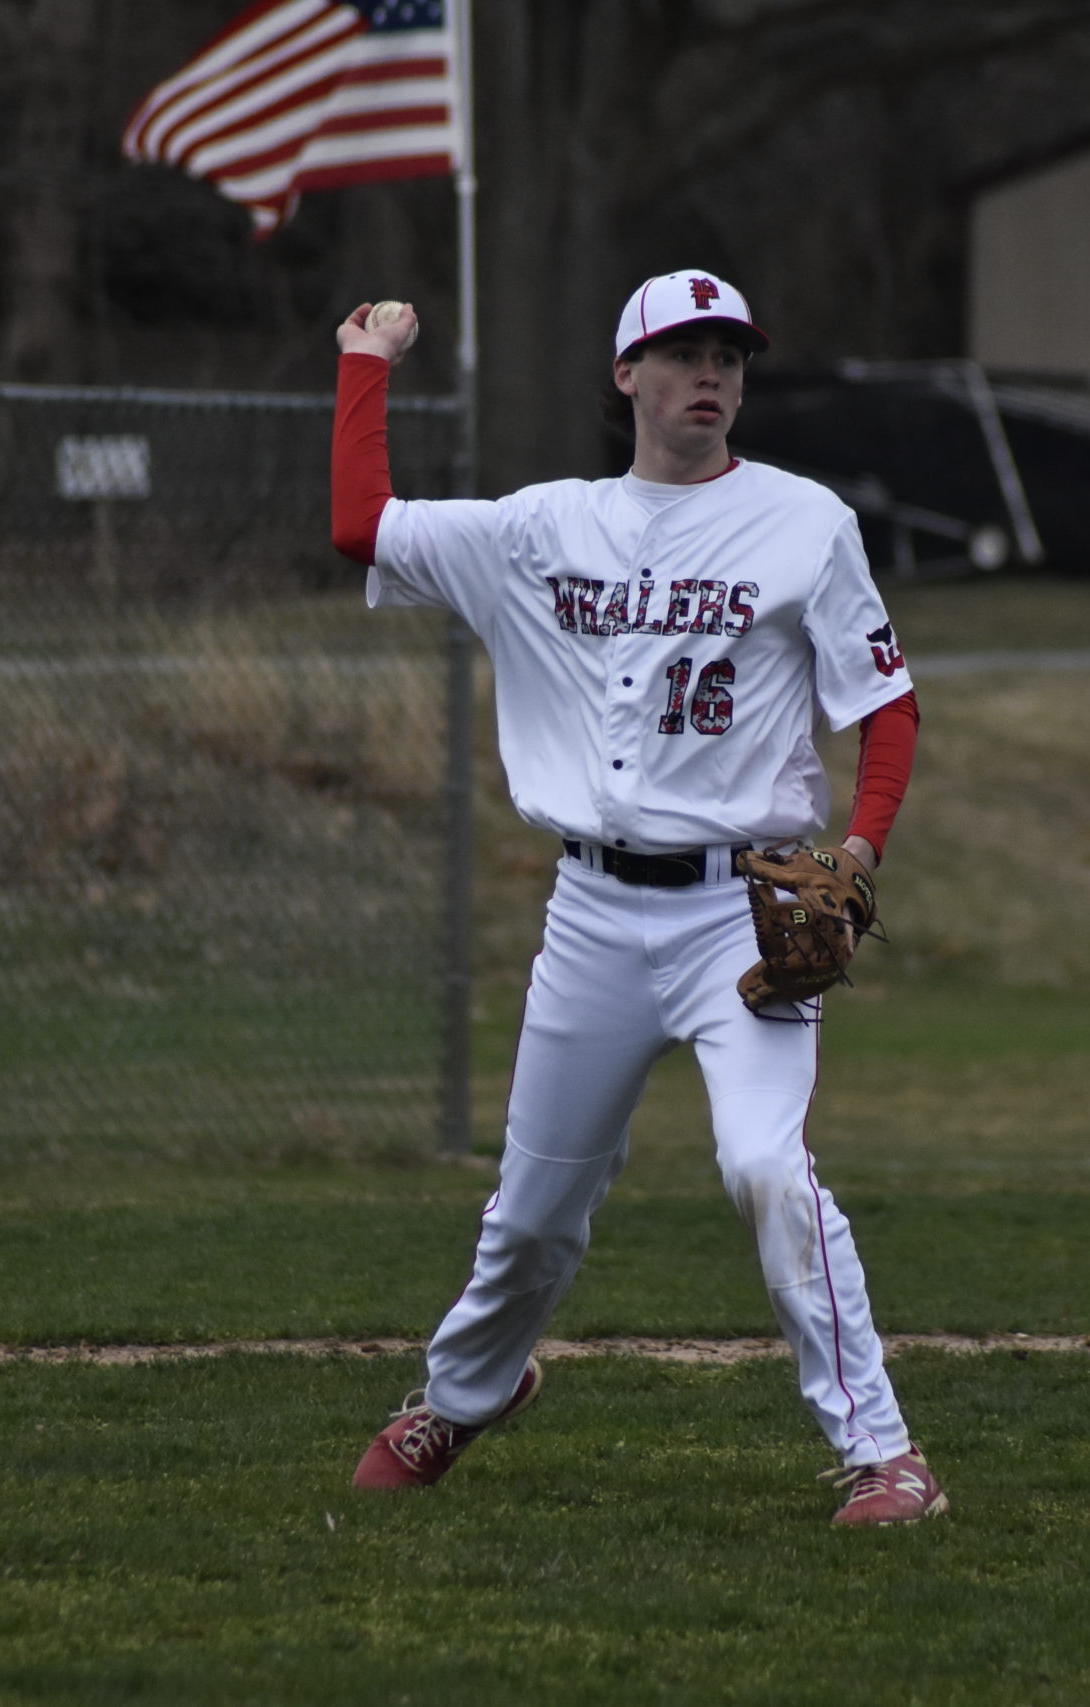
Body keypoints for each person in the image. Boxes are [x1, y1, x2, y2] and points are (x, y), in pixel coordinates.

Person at [328, 272, 938, 1525]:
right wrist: (364, 366)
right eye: (681, 353)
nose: (708, 373)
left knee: (766, 1169)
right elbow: (361, 526)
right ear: (627, 378)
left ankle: (885, 1458)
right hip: (593, 918)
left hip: (742, 914)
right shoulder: (538, 529)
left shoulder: (803, 523)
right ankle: (464, 1398)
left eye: (728, 355)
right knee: (535, 1207)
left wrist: (863, 852)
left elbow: (886, 710)